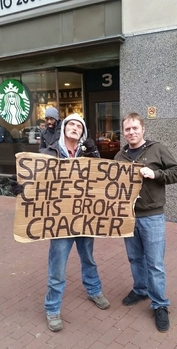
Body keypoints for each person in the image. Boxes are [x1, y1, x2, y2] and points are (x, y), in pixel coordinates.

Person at [11, 113, 110, 332]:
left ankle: (94, 291)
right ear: (64, 127)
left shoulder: (90, 154)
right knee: (57, 267)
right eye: (71, 124)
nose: (75, 127)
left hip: (85, 219)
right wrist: (21, 187)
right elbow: (36, 182)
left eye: (79, 126)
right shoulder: (48, 153)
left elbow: (101, 182)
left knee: (89, 259)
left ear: (83, 133)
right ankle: (52, 308)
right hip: (60, 222)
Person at [114, 112, 177, 333]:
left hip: (152, 216)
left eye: (135, 128)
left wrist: (155, 174)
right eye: (127, 129)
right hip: (128, 216)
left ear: (142, 129)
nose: (131, 132)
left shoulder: (157, 148)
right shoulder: (120, 156)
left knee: (154, 263)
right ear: (123, 132)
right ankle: (140, 289)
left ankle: (160, 304)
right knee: (135, 258)